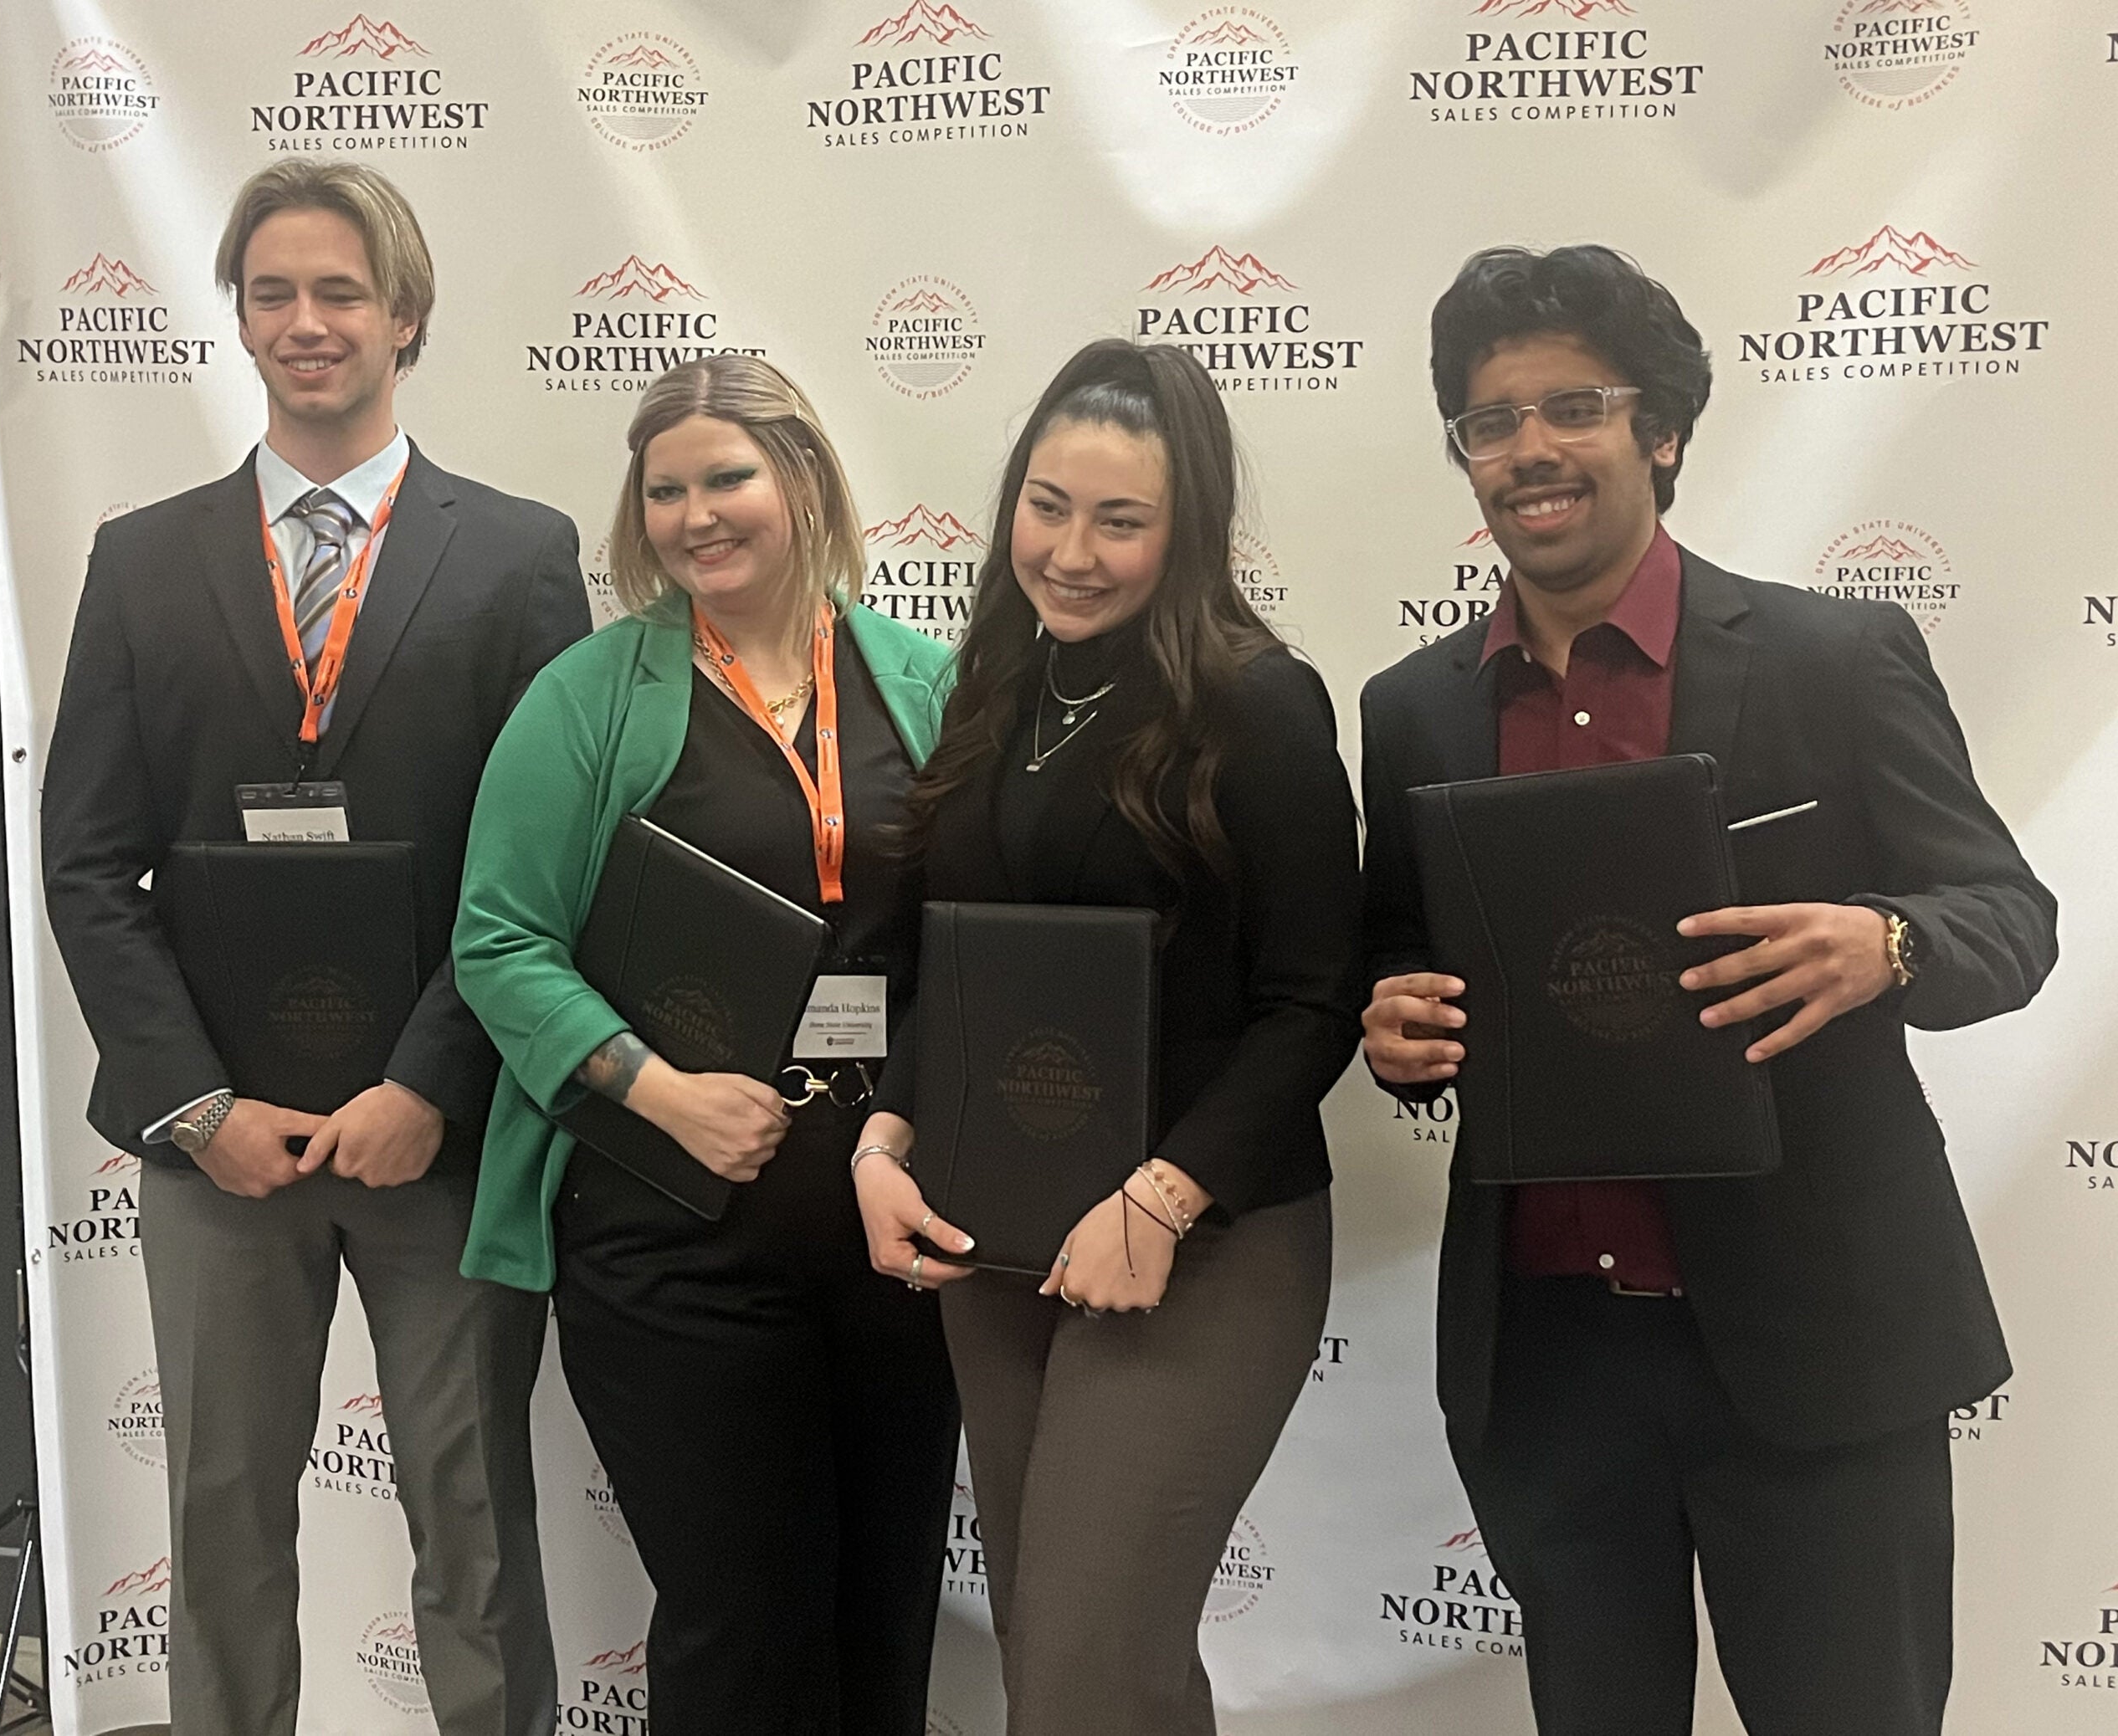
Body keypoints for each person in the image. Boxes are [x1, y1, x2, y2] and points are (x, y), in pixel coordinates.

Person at [1358, 245, 2059, 1736]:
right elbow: (1399, 962)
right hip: (1550, 1366)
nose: (1530, 450)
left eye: (1575, 408)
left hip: (1818, 1346)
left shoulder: (1832, 655)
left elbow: (2011, 916)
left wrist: (1890, 943)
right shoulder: (1413, 707)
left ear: (1661, 431)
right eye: (1491, 421)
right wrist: (1397, 1028)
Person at [40, 161, 585, 1736]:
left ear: (405, 314)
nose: (305, 322)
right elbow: (86, 863)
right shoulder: (142, 560)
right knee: (221, 1532)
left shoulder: (519, 556)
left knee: (476, 1537)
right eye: (271, 292)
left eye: (340, 291)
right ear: (238, 317)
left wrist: (431, 1081)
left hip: (443, 1141)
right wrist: (192, 1109)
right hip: (219, 1154)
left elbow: (536, 870)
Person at [849, 338, 1362, 1736]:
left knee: (1079, 1672)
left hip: (1199, 1247)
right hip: (995, 1233)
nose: (1071, 552)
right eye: (1047, 506)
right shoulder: (998, 690)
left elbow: (1313, 1002)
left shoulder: (1256, 703)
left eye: (1119, 521)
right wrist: (886, 1132)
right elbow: (952, 969)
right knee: (1079, 1661)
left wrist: (1166, 1193)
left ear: (1184, 530)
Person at [451, 355, 960, 1735]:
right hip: (668, 1231)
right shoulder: (588, 696)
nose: (694, 515)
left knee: (885, 1613)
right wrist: (660, 1092)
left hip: (891, 1230)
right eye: (664, 489)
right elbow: (498, 940)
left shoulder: (929, 682)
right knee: (743, 1632)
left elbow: (975, 948)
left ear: (802, 480)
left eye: (725, 477)